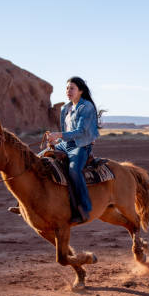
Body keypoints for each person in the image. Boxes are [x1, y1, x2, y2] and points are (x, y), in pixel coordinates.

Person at [46, 76, 102, 223]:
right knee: (41, 158)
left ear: (81, 91)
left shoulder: (87, 107)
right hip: (67, 144)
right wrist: (56, 139)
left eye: (72, 88)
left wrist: (59, 134)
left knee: (74, 171)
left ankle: (84, 207)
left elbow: (80, 131)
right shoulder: (65, 108)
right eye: (67, 88)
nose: (68, 91)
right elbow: (66, 132)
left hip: (81, 145)